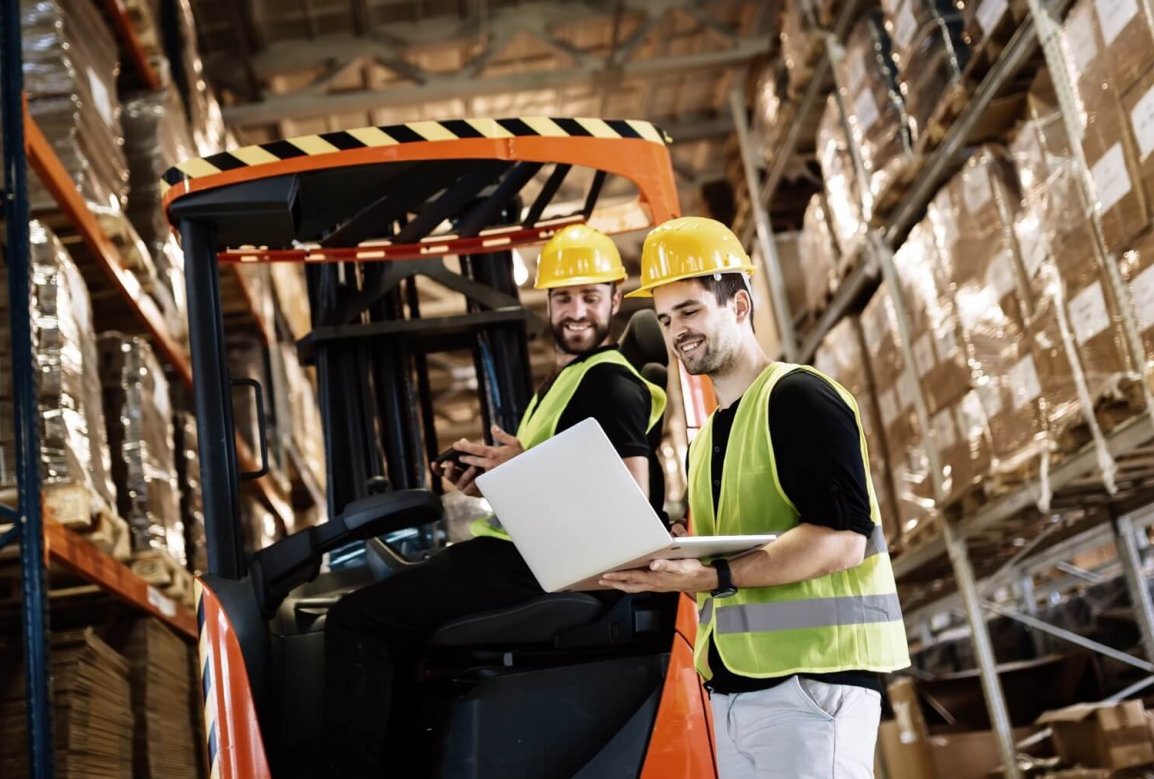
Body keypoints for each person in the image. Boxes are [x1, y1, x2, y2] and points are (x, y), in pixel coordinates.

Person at [322, 224, 668, 778]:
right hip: (527, 551)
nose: (576, 312)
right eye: (563, 298)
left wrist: (522, 469)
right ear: (547, 302)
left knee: (354, 620)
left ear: (615, 298)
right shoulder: (564, 382)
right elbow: (558, 487)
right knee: (401, 633)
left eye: (589, 297)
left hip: (538, 565)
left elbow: (630, 506)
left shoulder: (609, 383)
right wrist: (489, 482)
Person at [600, 216, 910, 778]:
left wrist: (714, 575)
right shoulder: (706, 440)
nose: (676, 332)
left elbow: (843, 541)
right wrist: (677, 564)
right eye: (665, 319)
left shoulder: (798, 398)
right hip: (736, 691)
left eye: (689, 311)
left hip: (814, 686)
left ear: (739, 305)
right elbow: (734, 565)